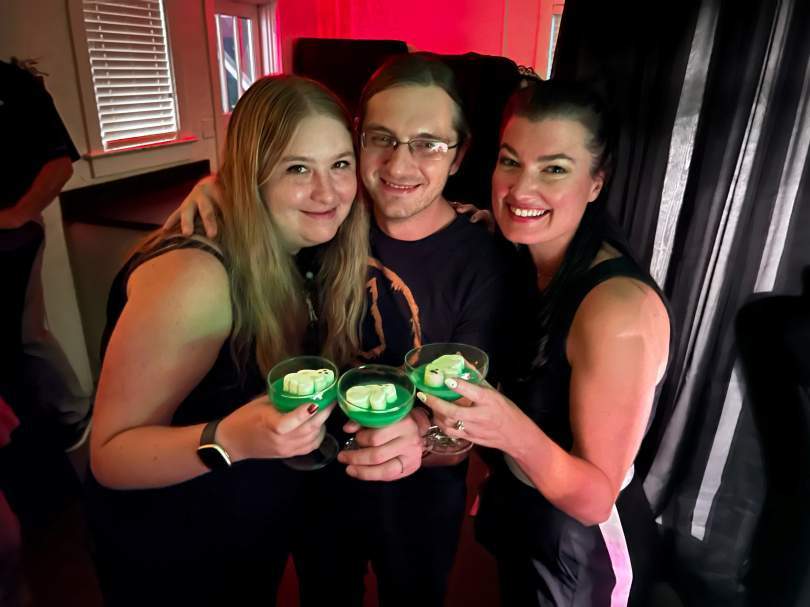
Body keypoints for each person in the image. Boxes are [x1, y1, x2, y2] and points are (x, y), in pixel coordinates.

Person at [165, 53, 507, 607]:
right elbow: (276, 185)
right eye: (382, 138)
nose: (400, 164)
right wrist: (221, 184)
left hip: (418, 502)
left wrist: (420, 430)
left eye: (428, 143)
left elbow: (472, 414)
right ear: (357, 142)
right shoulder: (330, 216)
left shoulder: (483, 256)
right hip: (313, 482)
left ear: (459, 154)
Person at [84, 75, 371, 607]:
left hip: (242, 535)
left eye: (339, 164)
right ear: (250, 176)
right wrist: (232, 438)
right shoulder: (197, 277)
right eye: (296, 168)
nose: (328, 192)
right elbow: (109, 455)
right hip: (171, 553)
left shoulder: (308, 247)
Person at [421, 80, 671, 606]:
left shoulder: (616, 310)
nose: (521, 189)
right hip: (523, 517)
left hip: (585, 554)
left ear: (596, 183)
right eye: (510, 162)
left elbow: (596, 500)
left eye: (554, 169)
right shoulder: (519, 254)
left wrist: (507, 426)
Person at [0, 58, 91, 452]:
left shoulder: (13, 84)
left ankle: (74, 412)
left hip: (11, 241)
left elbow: (60, 165)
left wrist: (18, 215)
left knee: (24, 334)